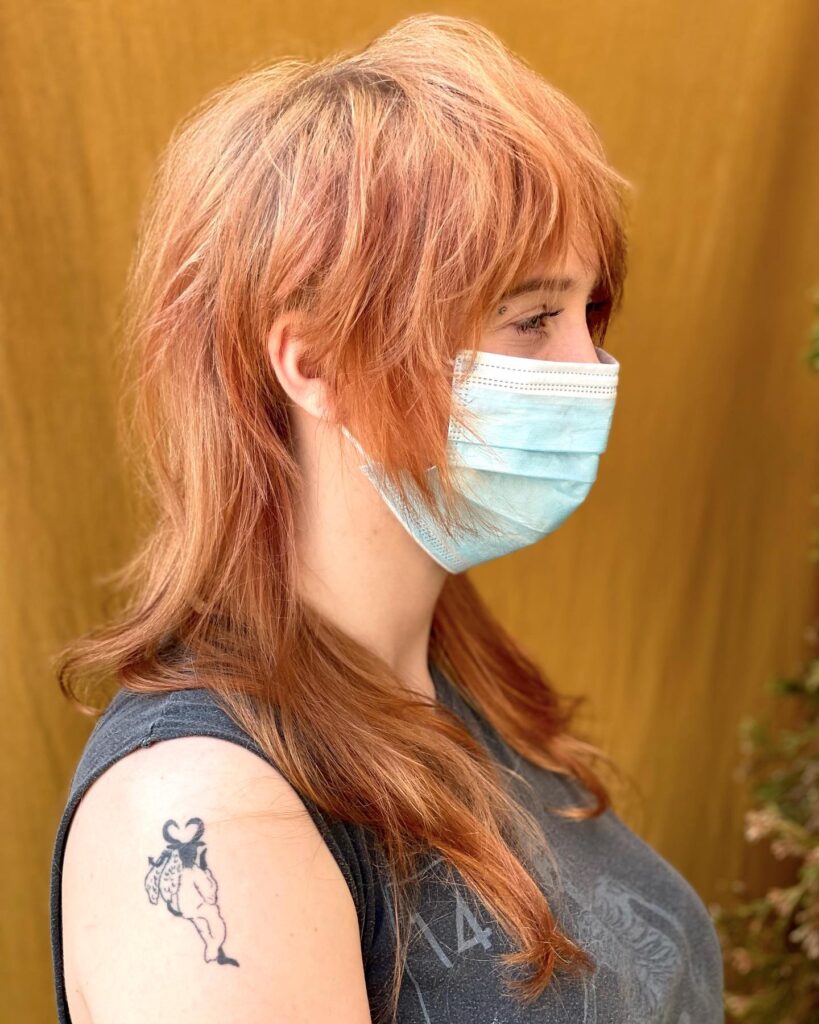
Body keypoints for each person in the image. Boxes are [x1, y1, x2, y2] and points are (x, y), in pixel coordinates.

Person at [49, 13, 725, 1024]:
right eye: (532, 318)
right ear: (313, 362)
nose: (591, 369)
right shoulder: (208, 808)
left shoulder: (459, 684)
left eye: (592, 315)